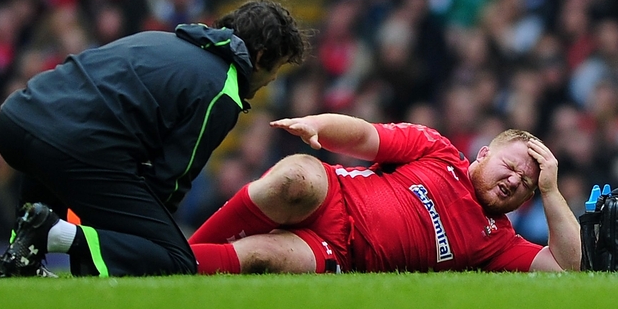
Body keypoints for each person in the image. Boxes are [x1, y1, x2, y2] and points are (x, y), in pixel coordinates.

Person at [0, 0, 310, 277]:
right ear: (260, 58)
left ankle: (23, 254)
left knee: (56, 156)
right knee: (176, 257)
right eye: (276, 68)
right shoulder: (222, 90)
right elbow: (169, 182)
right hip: (70, 145)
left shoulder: (165, 40)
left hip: (17, 119)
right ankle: (54, 234)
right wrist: (143, 237)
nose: (271, 80)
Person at [188, 113, 581, 274]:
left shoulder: (498, 244)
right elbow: (364, 135)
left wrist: (550, 189)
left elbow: (569, 267)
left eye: (527, 184)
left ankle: (164, 262)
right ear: (483, 154)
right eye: (510, 167)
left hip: (339, 253)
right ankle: (181, 250)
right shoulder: (436, 149)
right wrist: (316, 123)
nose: (515, 180)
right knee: (294, 176)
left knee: (261, 256)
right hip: (334, 193)